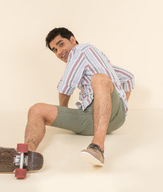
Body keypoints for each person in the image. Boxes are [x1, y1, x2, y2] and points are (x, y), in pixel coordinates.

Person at [24, 27, 134, 166]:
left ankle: (97, 148)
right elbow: (128, 77)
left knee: (99, 79)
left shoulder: (82, 49)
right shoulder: (97, 61)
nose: (59, 52)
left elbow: (66, 85)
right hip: (93, 119)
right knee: (36, 109)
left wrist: (119, 106)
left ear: (72, 40)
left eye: (61, 44)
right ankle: (27, 155)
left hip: (113, 113)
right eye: (55, 50)